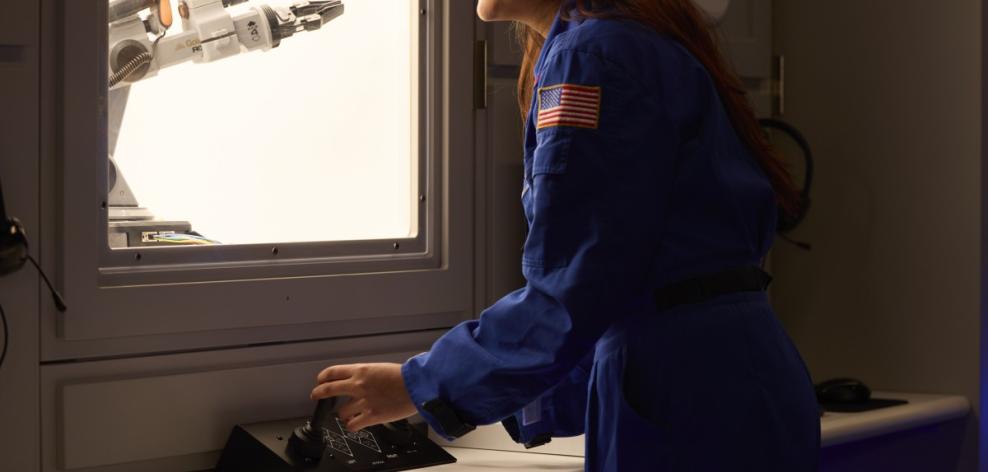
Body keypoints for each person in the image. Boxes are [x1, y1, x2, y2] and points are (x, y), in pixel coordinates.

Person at [310, 0, 821, 469]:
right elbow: (621, 299)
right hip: (729, 379)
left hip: (687, 393)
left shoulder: (591, 56)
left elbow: (575, 289)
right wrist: (489, 399)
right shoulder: (625, 41)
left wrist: (420, 383)